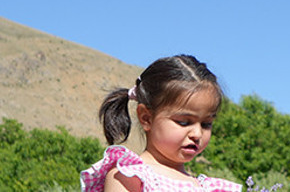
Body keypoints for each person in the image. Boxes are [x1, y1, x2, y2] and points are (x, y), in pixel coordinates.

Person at [81, 54, 241, 192]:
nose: (197, 134)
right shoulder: (128, 175)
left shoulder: (208, 187)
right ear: (146, 118)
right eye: (184, 122)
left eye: (206, 124)